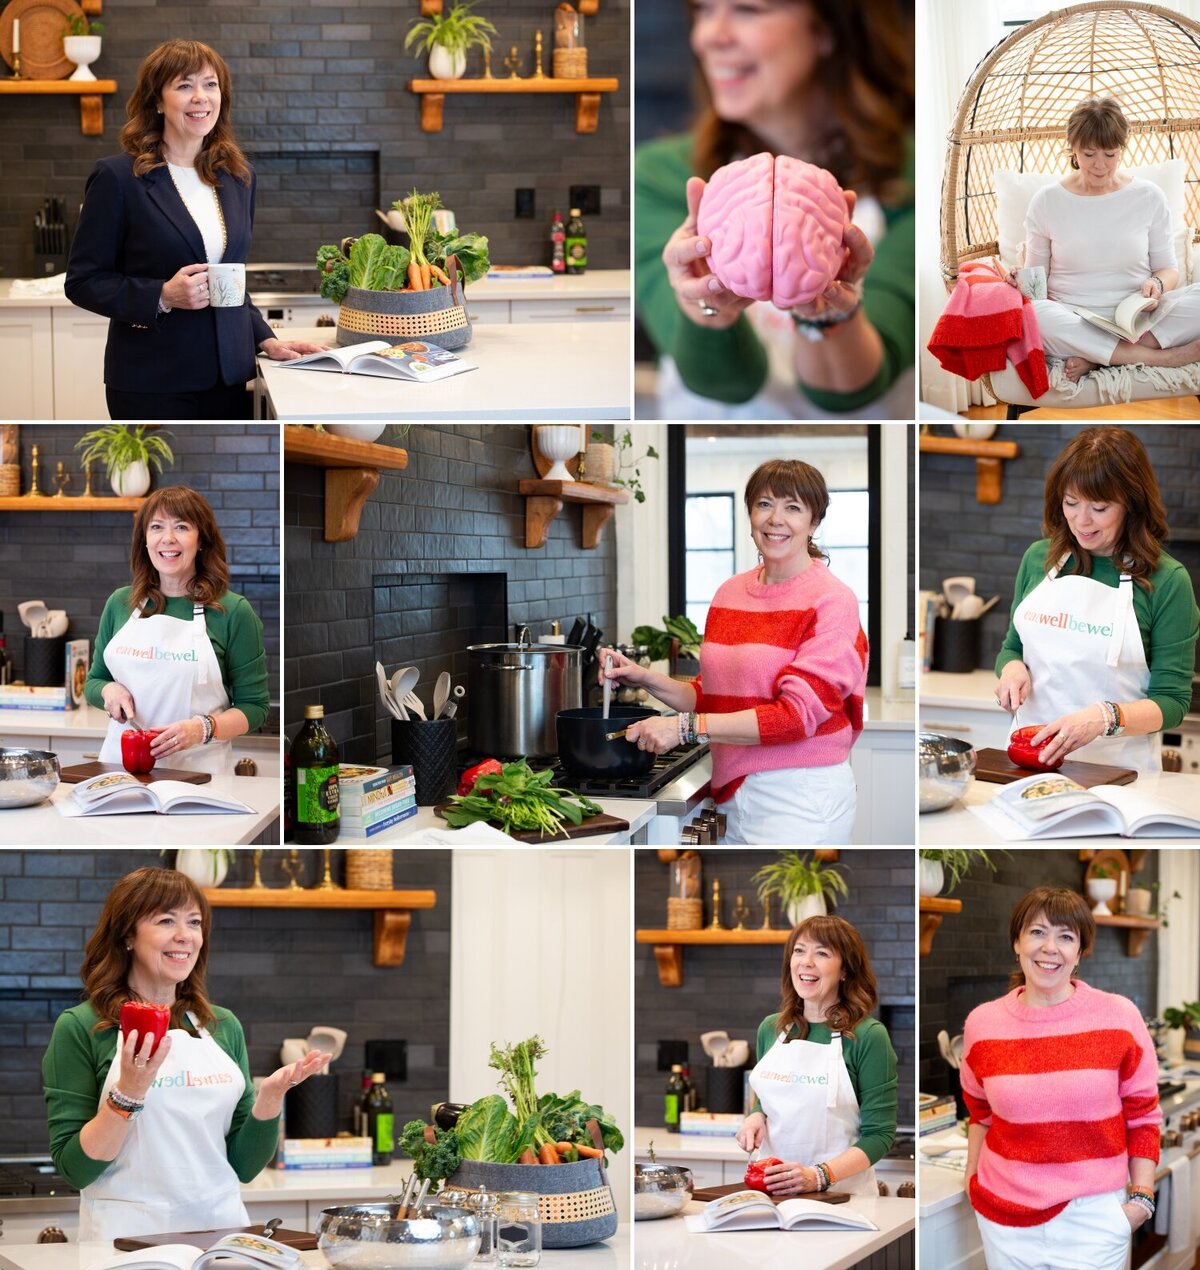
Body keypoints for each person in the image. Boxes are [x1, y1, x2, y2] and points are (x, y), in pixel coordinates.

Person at [635, 0, 914, 418]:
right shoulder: (662, 175)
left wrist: (824, 313)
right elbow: (726, 382)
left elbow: (850, 390)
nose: (709, 35)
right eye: (704, 10)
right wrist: (707, 307)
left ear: (827, 28)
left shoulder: (918, 174)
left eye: (748, 9)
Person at [42, 867, 330, 1243]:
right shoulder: (82, 1027)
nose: (185, 936)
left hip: (221, 1235)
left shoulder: (221, 1025)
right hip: (125, 1244)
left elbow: (243, 1166)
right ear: (127, 935)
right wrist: (128, 1092)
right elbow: (76, 1170)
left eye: (194, 922)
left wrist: (271, 1097)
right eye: (166, 920)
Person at [600, 459, 867, 845]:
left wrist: (685, 728)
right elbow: (714, 696)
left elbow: (794, 718)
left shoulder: (832, 601)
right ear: (750, 514)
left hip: (799, 795)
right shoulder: (730, 593)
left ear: (814, 522)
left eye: (793, 507)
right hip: (732, 790)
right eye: (764, 504)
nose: (776, 518)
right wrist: (643, 677)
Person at [65, 40, 325, 419]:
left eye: (211, 84)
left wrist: (265, 338)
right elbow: (83, 281)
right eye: (184, 85)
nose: (200, 97)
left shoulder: (239, 178)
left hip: (229, 379)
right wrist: (162, 295)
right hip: (152, 381)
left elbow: (229, 281)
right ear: (157, 100)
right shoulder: (118, 178)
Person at [960, 887, 1160, 1269]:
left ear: (1080, 951)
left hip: (1095, 1218)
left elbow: (1143, 1116)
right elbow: (979, 1111)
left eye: (1065, 936)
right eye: (1037, 932)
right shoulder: (982, 1023)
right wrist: (972, 1175)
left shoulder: (1119, 1017)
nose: (1049, 947)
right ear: (1016, 942)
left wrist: (1142, 1198)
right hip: (1004, 1218)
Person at [995, 427, 1199, 775]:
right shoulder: (1038, 559)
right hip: (1030, 765)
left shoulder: (1167, 581)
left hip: (1118, 773)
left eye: (1100, 507)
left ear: (1132, 506)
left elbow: (1173, 702)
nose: (1081, 520)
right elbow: (1012, 647)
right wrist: (1011, 669)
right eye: (1071, 503)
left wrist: (1104, 717)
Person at [84, 484, 271, 776]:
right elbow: (94, 681)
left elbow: (255, 707)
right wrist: (109, 690)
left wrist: (201, 728)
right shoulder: (120, 603)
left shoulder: (233, 612)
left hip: (198, 780)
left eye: (181, 527)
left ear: (202, 541)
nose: (167, 539)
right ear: (144, 540)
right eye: (156, 527)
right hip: (120, 773)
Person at [1012, 96, 1200, 383]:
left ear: (1122, 149)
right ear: (1073, 147)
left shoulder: (1149, 196)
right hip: (1073, 318)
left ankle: (1097, 358)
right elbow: (1036, 290)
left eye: (1110, 154)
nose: (1100, 165)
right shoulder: (1046, 202)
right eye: (1089, 154)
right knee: (1035, 315)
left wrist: (1158, 284)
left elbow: (1168, 269)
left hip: (1140, 319)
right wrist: (1020, 281)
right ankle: (1156, 357)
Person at [734, 915, 896, 1197]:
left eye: (821, 953)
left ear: (845, 969)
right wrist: (755, 1116)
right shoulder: (772, 1029)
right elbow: (768, 1101)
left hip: (842, 1201)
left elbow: (880, 1136)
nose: (806, 961)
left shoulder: (868, 1036)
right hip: (772, 1195)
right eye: (799, 950)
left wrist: (818, 1176)